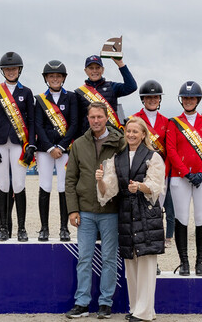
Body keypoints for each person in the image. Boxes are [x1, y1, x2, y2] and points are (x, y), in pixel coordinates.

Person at [64, 102, 125, 320]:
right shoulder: (79, 144)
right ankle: (81, 303)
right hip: (86, 210)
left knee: (109, 258)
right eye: (92, 117)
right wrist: (72, 210)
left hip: (110, 210)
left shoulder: (119, 142)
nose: (96, 121)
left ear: (107, 117)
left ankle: (105, 303)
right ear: (88, 119)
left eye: (100, 116)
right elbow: (70, 180)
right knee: (84, 258)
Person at [108, 117, 166, 322]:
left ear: (143, 134)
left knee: (147, 262)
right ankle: (138, 309)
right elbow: (112, 188)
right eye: (128, 131)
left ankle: (144, 312)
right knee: (131, 263)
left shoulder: (154, 156)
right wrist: (100, 182)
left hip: (146, 212)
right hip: (126, 212)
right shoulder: (119, 156)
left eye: (135, 131)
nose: (131, 135)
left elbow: (156, 186)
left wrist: (140, 187)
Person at [164, 81, 202, 276]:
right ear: (181, 100)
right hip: (180, 177)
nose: (188, 101)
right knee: (181, 219)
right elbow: (171, 150)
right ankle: (184, 262)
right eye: (185, 98)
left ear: (197, 100)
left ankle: (200, 262)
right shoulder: (173, 123)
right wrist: (186, 173)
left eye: (191, 98)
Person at [33, 60, 85, 242]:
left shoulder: (71, 97)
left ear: (63, 78)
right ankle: (44, 228)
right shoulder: (40, 99)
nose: (55, 79)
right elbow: (38, 125)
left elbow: (74, 123)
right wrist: (49, 147)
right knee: (45, 186)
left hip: (65, 149)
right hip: (44, 150)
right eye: (51, 76)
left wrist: (62, 146)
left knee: (64, 186)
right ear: (46, 78)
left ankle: (64, 228)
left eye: (58, 76)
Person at [0, 51, 36, 241]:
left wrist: (31, 145)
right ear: (3, 71)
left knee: (19, 184)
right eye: (7, 69)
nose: (10, 72)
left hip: (18, 144)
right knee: (2, 185)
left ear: (19, 70)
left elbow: (31, 121)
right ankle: (3, 228)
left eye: (13, 68)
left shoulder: (26, 92)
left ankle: (22, 228)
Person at [131, 80, 174, 246]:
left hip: (159, 173)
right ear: (143, 98)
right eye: (149, 97)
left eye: (155, 97)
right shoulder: (135, 119)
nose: (152, 100)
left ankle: (157, 242)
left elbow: (169, 151)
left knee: (156, 210)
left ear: (159, 99)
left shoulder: (167, 122)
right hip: (140, 172)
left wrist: (164, 173)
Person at [75, 55, 138, 132]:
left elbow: (132, 87)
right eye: (91, 68)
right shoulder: (79, 93)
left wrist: (120, 64)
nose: (94, 71)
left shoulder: (112, 87)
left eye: (97, 68)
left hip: (111, 136)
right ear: (86, 71)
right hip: (89, 138)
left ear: (103, 70)